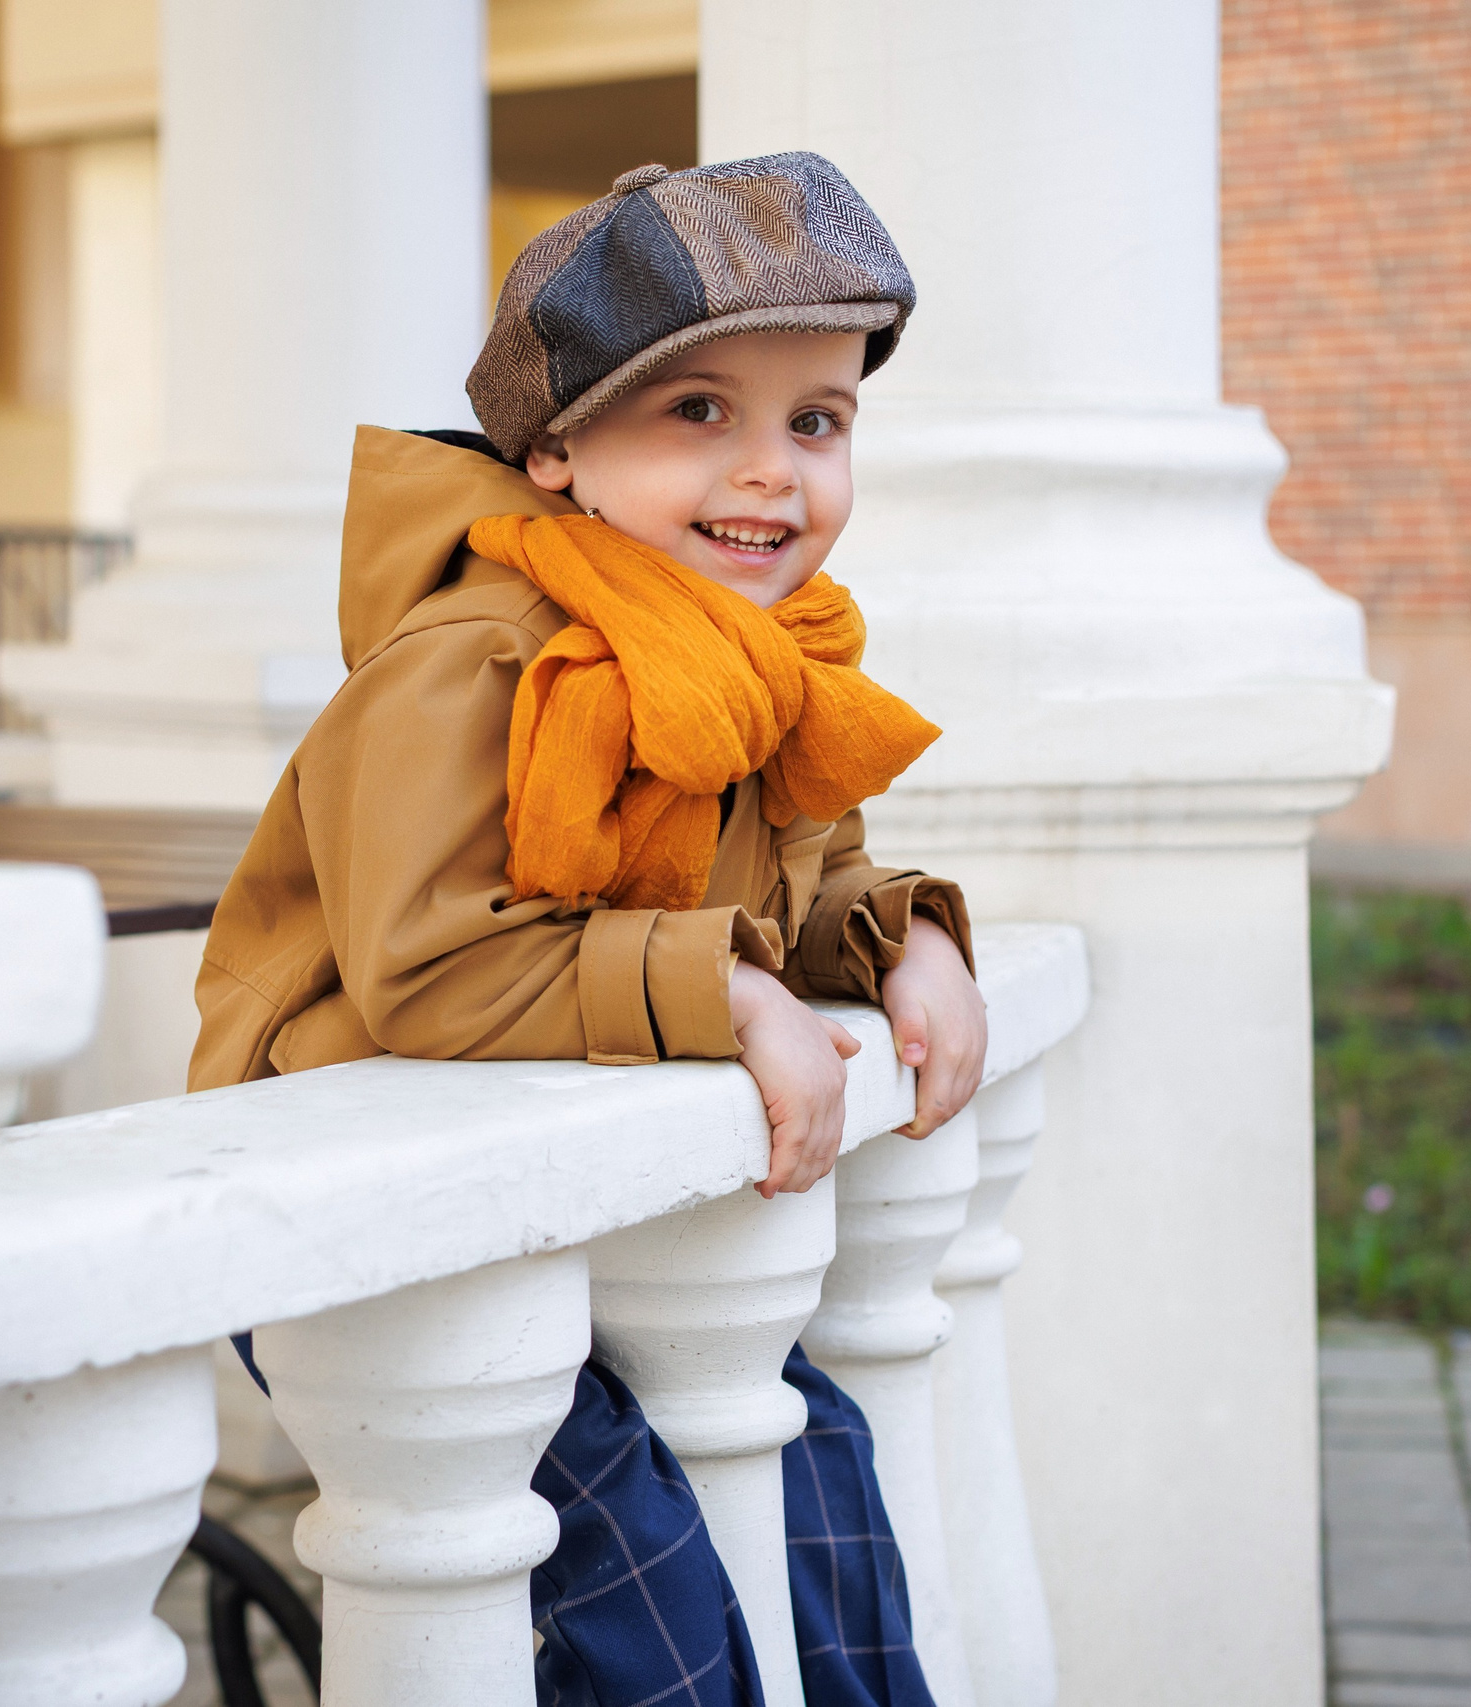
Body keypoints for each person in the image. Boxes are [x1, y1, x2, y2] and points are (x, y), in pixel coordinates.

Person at [190, 152, 983, 1707]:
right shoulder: (471, 662)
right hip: (376, 1219)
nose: (772, 472)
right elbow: (433, 969)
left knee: (814, 1471)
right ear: (556, 451)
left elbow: (804, 882)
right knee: (627, 1577)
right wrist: (731, 999)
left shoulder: (748, 660)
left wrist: (908, 945)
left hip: (565, 1203)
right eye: (699, 413)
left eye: (814, 421)